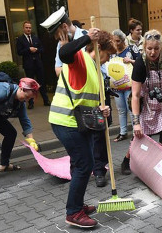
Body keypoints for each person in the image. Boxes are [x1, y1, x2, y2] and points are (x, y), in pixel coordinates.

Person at [45, 14, 114, 228]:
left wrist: (100, 110)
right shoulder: (81, 60)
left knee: (80, 164)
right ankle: (73, 212)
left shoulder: (93, 69)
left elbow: (84, 98)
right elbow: (64, 52)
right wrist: (86, 38)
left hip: (74, 121)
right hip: (65, 121)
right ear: (97, 48)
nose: (108, 60)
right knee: (85, 164)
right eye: (107, 55)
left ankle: (78, 204)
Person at [121, 30, 162, 175]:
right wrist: (136, 122)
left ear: (161, 47)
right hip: (145, 103)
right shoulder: (140, 64)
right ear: (144, 47)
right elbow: (135, 95)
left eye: (156, 48)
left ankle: (159, 162)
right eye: (149, 48)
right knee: (139, 135)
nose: (153, 52)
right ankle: (126, 159)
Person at [109, 29, 138, 142]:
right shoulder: (111, 52)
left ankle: (136, 131)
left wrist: (131, 60)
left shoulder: (131, 49)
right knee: (121, 110)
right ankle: (123, 132)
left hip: (129, 84)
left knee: (131, 108)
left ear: (123, 40)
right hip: (116, 86)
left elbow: (140, 61)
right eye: (113, 41)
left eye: (118, 41)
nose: (115, 44)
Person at [16, 21, 50, 109]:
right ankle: (31, 103)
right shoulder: (20, 39)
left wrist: (36, 49)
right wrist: (28, 49)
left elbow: (42, 49)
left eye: (30, 28)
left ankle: (46, 100)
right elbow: (19, 52)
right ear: (23, 28)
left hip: (38, 64)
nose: (28, 29)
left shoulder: (35, 38)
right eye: (27, 28)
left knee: (41, 82)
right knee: (29, 85)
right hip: (28, 65)